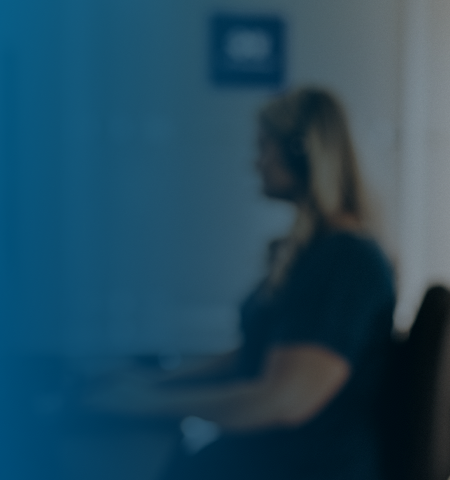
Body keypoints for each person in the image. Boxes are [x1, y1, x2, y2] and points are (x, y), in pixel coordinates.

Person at [86, 87, 396, 480]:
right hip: (270, 459)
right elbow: (250, 355)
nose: (257, 163)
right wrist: (153, 382)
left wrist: (148, 403)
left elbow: (283, 400)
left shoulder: (346, 262)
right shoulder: (317, 252)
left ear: (302, 153)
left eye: (265, 147)